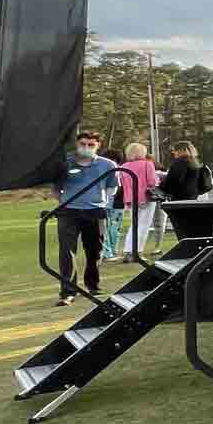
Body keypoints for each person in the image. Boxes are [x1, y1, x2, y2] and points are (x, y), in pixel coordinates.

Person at [53, 130, 115, 305]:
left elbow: (112, 188)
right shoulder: (65, 163)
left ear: (98, 146)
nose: (86, 147)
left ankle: (92, 285)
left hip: (96, 212)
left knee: (95, 251)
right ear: (77, 144)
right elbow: (56, 189)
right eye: (83, 144)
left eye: (91, 145)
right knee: (67, 251)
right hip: (68, 212)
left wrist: (101, 202)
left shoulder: (108, 165)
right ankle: (68, 292)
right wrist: (64, 201)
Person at [115, 141, 160, 259]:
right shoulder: (147, 164)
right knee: (143, 225)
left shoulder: (123, 166)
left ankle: (128, 250)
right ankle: (137, 251)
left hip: (131, 198)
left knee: (134, 224)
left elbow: (123, 185)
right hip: (146, 197)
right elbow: (152, 182)